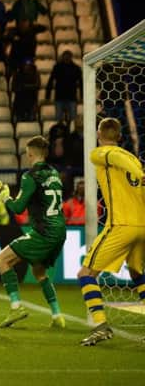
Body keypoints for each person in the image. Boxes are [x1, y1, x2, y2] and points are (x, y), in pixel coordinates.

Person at [77, 118, 145, 346]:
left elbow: (112, 156)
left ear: (99, 134)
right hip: (141, 226)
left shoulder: (100, 153)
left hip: (121, 225)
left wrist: (138, 171)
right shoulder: (133, 157)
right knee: (137, 273)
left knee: (85, 274)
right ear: (119, 135)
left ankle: (100, 326)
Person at [0, 136, 66, 328]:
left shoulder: (30, 176)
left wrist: (4, 197)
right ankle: (57, 316)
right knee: (38, 270)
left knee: (1, 260)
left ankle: (16, 307)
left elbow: (18, 208)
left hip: (44, 230)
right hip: (60, 229)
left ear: (30, 153)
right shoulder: (54, 173)